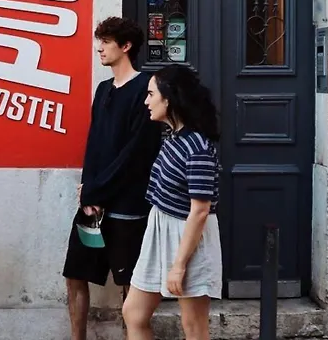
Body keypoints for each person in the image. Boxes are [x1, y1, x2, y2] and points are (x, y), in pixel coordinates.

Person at [62, 17, 163, 340]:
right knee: (75, 274)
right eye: (99, 41)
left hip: (127, 204)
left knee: (129, 283)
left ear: (126, 46)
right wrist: (87, 190)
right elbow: (94, 143)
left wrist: (97, 190)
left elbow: (135, 154)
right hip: (93, 204)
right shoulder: (103, 89)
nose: (99, 48)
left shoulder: (145, 89)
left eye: (106, 42)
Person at [122, 64, 223, 340]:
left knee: (194, 327)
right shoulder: (173, 137)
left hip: (188, 239)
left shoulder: (197, 147)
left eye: (151, 94)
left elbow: (200, 211)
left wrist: (179, 265)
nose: (146, 101)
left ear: (168, 99)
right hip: (160, 231)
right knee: (134, 313)